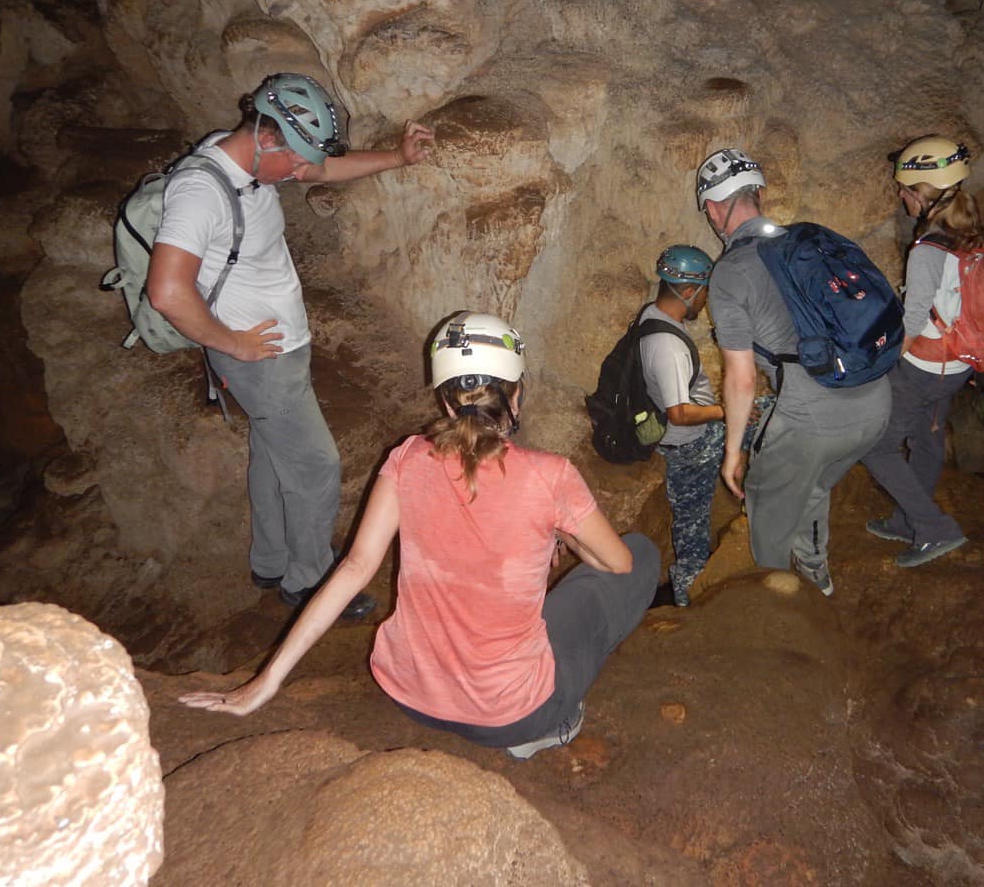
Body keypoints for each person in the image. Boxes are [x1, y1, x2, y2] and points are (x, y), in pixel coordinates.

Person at [179, 312, 658, 760]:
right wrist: (563, 533)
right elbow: (616, 563)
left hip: (407, 693)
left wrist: (265, 681)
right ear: (516, 396)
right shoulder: (550, 477)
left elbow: (353, 568)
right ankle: (548, 728)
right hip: (509, 717)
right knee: (639, 552)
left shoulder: (408, 457)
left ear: (446, 402)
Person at [146, 73, 433, 620]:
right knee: (317, 467)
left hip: (273, 351)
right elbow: (166, 291)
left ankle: (271, 561)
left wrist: (398, 158)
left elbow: (325, 168)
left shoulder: (244, 157)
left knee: (273, 453)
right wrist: (234, 343)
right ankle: (308, 581)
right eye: (297, 162)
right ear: (269, 139)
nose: (304, 175)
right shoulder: (201, 190)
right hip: (260, 359)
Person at [697, 149, 892, 596]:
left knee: (765, 498)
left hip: (813, 416)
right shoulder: (813, 242)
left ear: (713, 208)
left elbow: (741, 379)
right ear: (759, 194)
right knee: (813, 484)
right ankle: (817, 574)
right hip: (875, 401)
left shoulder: (729, 274)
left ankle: (776, 601)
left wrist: (732, 455)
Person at [861, 135, 984, 567]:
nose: (900, 196)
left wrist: (885, 362)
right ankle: (905, 521)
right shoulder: (968, 230)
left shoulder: (928, 248)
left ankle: (933, 529)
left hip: (927, 365)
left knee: (877, 446)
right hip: (959, 363)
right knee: (927, 437)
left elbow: (913, 320)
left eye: (905, 190)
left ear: (923, 194)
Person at [639, 245, 725, 607]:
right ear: (689, 291)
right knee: (692, 524)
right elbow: (680, 412)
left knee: (764, 413)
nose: (706, 300)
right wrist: (725, 412)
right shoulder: (668, 347)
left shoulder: (651, 315)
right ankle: (689, 599)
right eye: (705, 290)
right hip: (689, 443)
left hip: (687, 435)